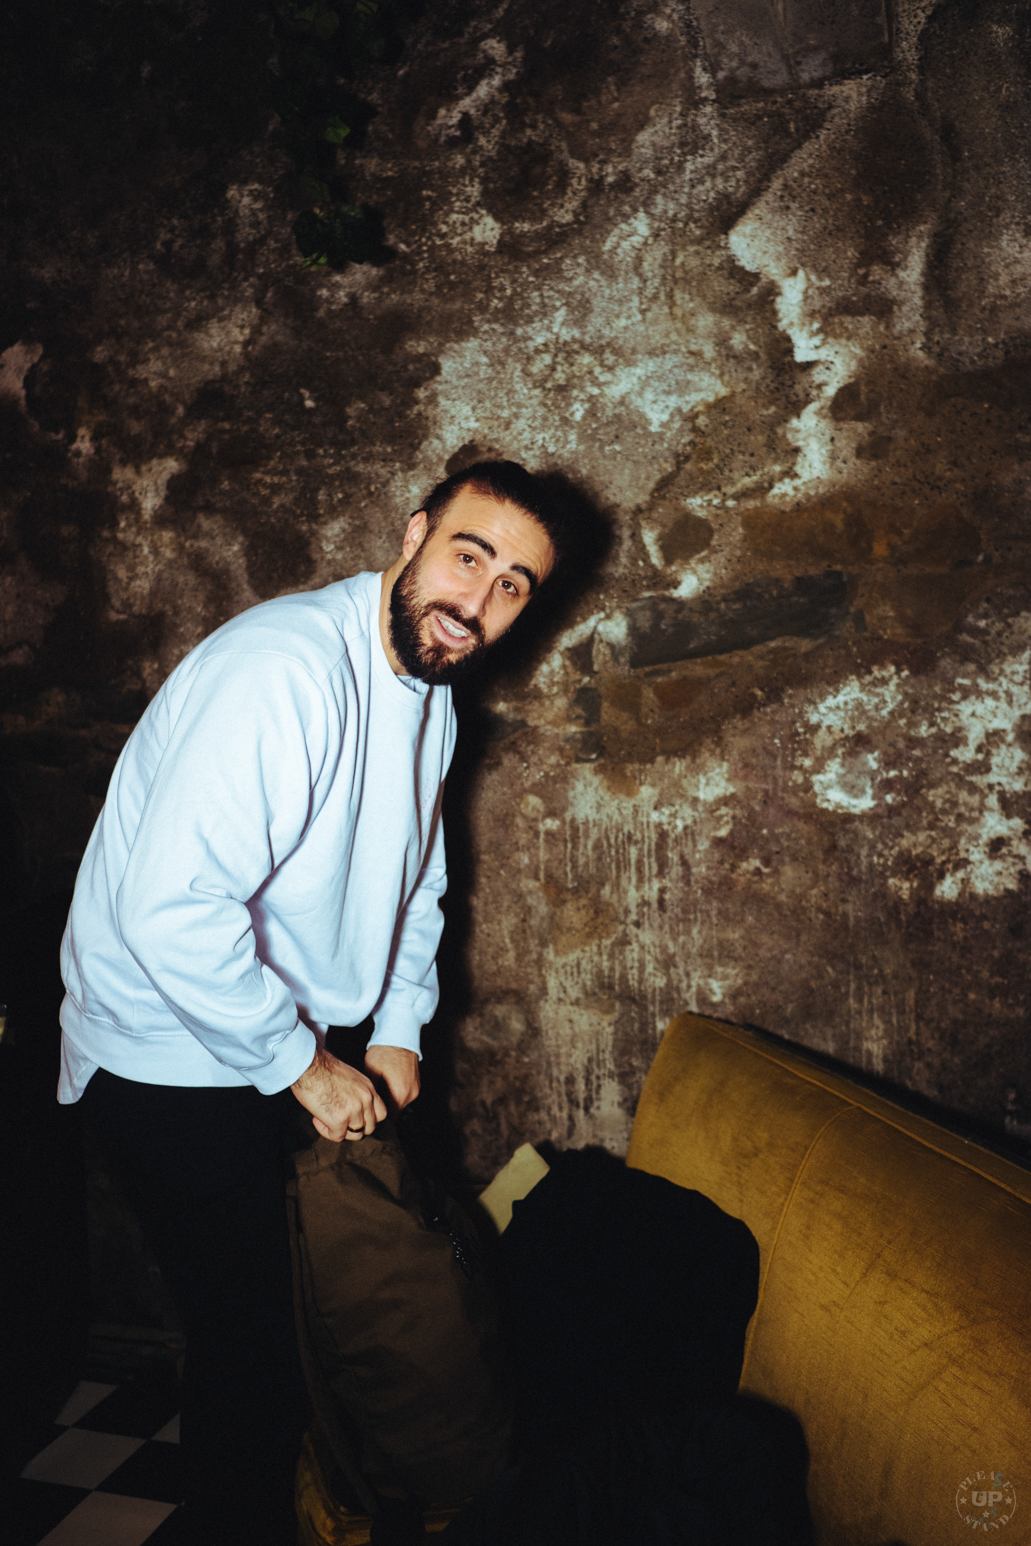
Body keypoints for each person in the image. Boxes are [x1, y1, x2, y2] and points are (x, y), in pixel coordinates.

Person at [57, 461, 568, 1546]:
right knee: (255, 1348)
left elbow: (418, 880)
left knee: (309, 1329)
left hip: (271, 1037)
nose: (476, 601)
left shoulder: (428, 689)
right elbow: (169, 911)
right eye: (467, 556)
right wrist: (304, 1066)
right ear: (414, 533)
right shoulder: (282, 670)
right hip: (159, 1050)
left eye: (511, 585)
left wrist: (397, 1027)